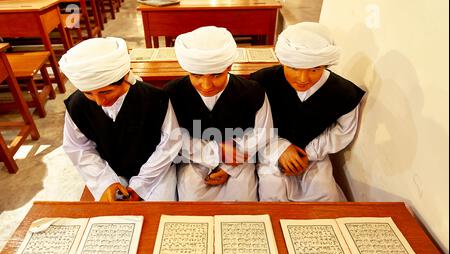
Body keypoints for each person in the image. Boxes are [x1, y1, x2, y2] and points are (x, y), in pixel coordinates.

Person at [250, 22, 366, 201]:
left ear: (325, 65)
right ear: (283, 62)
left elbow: (343, 131)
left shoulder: (344, 92)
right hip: (270, 152)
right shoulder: (262, 82)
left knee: (325, 194)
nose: (303, 79)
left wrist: (310, 152)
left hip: (315, 157)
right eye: (294, 68)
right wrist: (279, 148)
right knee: (273, 193)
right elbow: (250, 123)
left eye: (314, 69)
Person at [59, 37, 181, 201]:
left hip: (156, 173)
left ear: (126, 78)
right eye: (88, 93)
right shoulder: (77, 105)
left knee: (159, 210)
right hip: (110, 171)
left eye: (106, 92)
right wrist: (106, 182)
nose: (99, 102)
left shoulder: (155, 99)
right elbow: (79, 148)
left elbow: (169, 145)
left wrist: (141, 184)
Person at [165, 26, 273, 201]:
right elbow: (171, 138)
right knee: (192, 201)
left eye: (216, 75)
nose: (206, 85)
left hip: (240, 161)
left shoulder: (252, 92)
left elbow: (261, 134)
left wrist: (229, 167)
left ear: (229, 66)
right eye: (197, 75)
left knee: (243, 202)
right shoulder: (173, 93)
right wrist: (215, 151)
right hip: (193, 161)